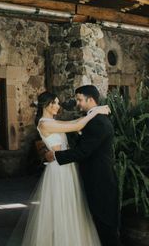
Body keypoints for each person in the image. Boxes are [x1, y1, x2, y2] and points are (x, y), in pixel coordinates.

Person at [18, 89, 110, 246]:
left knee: (71, 207)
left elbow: (75, 124)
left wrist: (92, 114)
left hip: (67, 167)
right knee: (61, 208)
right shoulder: (44, 123)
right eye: (56, 103)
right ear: (47, 105)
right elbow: (77, 126)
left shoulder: (52, 122)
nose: (58, 106)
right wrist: (97, 111)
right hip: (58, 170)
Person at [45, 85, 121, 246]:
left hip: (100, 182)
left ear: (90, 99)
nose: (77, 103)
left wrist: (56, 156)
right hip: (98, 180)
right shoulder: (94, 118)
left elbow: (82, 152)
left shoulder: (98, 122)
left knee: (105, 227)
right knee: (101, 225)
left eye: (80, 100)